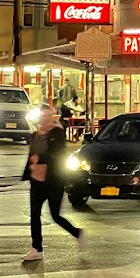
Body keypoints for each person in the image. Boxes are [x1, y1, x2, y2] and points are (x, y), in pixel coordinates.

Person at [21, 104, 85, 262]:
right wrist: (30, 169)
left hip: (53, 181)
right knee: (34, 215)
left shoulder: (58, 134)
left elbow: (56, 155)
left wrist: (39, 160)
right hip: (36, 181)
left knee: (55, 216)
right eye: (44, 117)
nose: (47, 120)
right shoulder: (36, 134)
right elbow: (32, 153)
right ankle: (37, 248)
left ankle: (77, 233)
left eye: (50, 117)